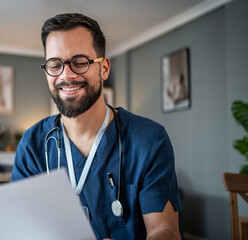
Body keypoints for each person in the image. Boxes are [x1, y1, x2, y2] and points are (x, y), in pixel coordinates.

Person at [11, 13, 182, 240]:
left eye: (80, 62)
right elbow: (18, 225)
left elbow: (165, 230)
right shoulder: (33, 144)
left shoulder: (149, 140)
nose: (66, 75)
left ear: (104, 68)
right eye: (55, 64)